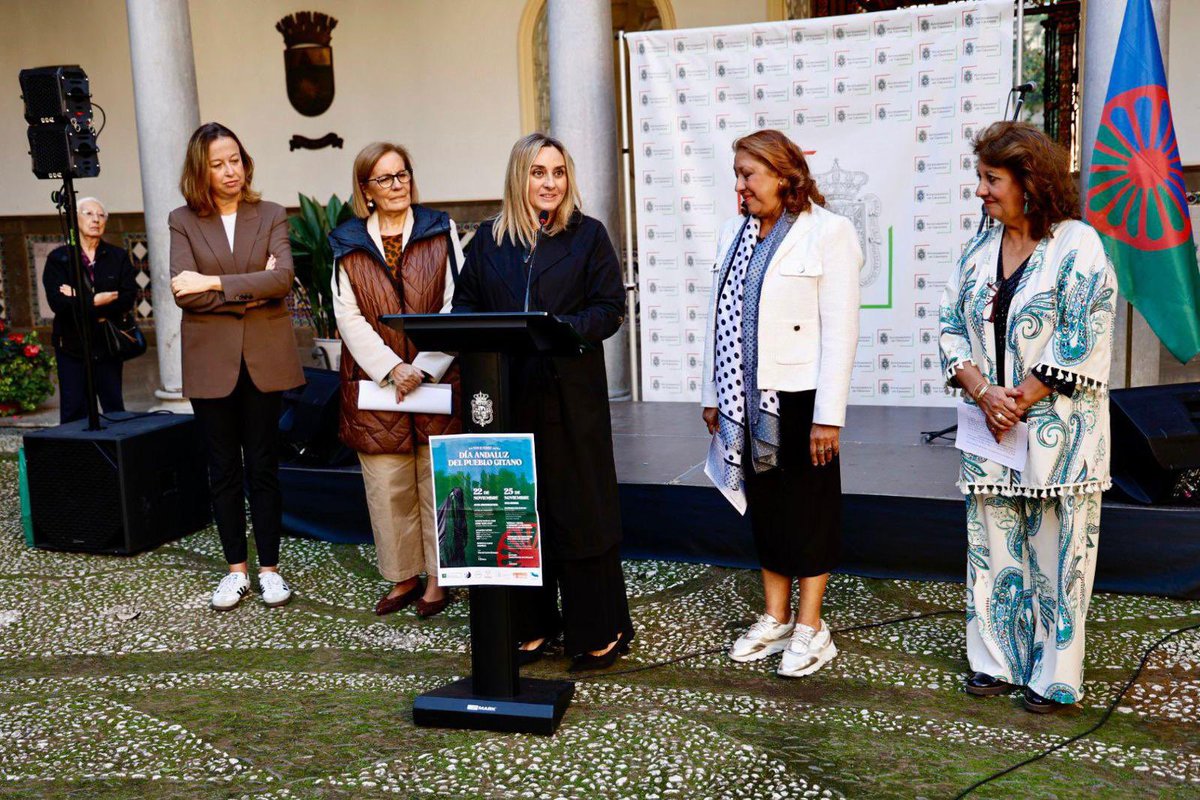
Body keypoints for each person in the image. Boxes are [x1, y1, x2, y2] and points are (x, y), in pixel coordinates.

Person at [939, 121, 1116, 713]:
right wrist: (984, 391)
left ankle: (1054, 675)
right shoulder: (977, 247)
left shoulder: (1077, 244)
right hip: (990, 425)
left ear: (1030, 182)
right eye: (981, 178)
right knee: (991, 543)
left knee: (1058, 552)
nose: (982, 192)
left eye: (992, 180)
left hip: (1059, 435)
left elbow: (1083, 333)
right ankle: (995, 660)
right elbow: (948, 327)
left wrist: (1018, 399)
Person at [452, 132, 633, 671]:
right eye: (538, 172)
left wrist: (560, 330)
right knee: (516, 510)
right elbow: (463, 308)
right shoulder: (487, 241)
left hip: (570, 397)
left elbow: (609, 309)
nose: (549, 183)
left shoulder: (589, 236)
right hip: (507, 397)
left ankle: (596, 629)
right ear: (519, 178)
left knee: (579, 510)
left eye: (557, 172)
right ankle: (528, 625)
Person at [702, 129, 862, 678]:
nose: (740, 184)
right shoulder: (733, 231)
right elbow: (718, 318)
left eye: (748, 174)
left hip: (802, 399)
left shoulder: (829, 232)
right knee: (767, 505)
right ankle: (776, 617)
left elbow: (841, 331)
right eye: (737, 173)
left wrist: (829, 417)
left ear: (783, 177)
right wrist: (712, 395)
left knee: (810, 509)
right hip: (743, 395)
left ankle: (813, 627)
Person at [169, 122, 304, 611]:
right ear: (199, 171)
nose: (230, 171)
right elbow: (183, 294)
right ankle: (235, 571)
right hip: (210, 363)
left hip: (265, 360)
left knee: (264, 467)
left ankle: (270, 569)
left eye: (235, 160)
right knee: (222, 469)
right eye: (217, 163)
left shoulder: (269, 213)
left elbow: (283, 279)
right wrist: (251, 286)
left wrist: (213, 283)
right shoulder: (182, 219)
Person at [328, 142, 463, 619]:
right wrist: (391, 368)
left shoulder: (438, 228)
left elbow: (456, 302)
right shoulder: (346, 241)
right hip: (377, 383)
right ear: (366, 190)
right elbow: (347, 317)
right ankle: (403, 576)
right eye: (384, 179)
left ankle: (437, 580)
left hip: (434, 376)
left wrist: (424, 366)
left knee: (434, 481)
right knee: (387, 487)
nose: (397, 184)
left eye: (402, 174)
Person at [42, 197, 139, 423]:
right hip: (71, 346)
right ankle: (77, 458)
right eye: (88, 214)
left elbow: (126, 298)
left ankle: (114, 458)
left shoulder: (117, 256)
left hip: (107, 345)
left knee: (114, 410)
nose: (95, 219)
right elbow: (58, 304)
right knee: (74, 411)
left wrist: (78, 299)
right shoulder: (60, 259)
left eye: (100, 215)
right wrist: (96, 300)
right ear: (75, 220)